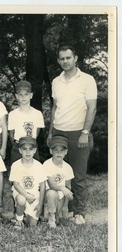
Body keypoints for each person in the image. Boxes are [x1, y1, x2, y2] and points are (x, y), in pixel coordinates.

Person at [47, 45, 97, 225]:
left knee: (78, 175)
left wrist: (85, 132)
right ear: (58, 60)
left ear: (75, 58)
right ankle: (62, 210)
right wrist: (51, 131)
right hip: (59, 131)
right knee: (59, 172)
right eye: (62, 59)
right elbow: (55, 108)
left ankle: (79, 212)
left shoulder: (87, 80)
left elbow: (92, 107)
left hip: (78, 132)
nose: (65, 62)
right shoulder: (56, 81)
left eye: (68, 58)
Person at [9, 136, 46, 229]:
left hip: (34, 196)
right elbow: (16, 184)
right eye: (24, 149)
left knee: (32, 224)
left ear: (35, 150)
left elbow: (43, 186)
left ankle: (24, 214)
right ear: (20, 151)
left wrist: (40, 205)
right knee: (21, 200)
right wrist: (26, 195)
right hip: (21, 193)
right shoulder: (16, 165)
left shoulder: (39, 166)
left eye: (31, 149)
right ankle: (19, 220)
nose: (28, 152)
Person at [8, 80, 45, 164]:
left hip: (32, 146)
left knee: (33, 173)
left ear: (31, 95)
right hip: (18, 147)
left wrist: (30, 143)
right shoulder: (12, 114)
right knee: (17, 173)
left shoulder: (37, 114)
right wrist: (17, 146)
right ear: (16, 96)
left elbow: (37, 132)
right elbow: (11, 134)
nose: (23, 97)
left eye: (26, 94)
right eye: (20, 95)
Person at [43, 135, 74, 228]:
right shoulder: (47, 164)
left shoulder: (68, 167)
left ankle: (57, 215)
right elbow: (51, 185)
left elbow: (68, 187)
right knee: (52, 193)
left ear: (66, 152)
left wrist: (65, 206)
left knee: (61, 219)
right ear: (51, 151)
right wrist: (62, 187)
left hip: (61, 197)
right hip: (48, 196)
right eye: (56, 150)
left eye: (62, 150)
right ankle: (51, 217)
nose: (59, 153)